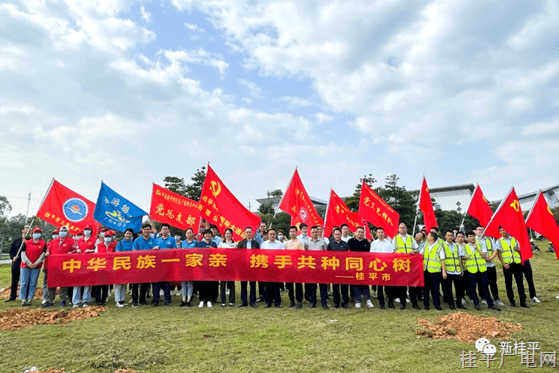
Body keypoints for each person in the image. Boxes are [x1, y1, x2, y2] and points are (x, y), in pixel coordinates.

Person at [463, 231, 501, 311]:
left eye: (473, 236)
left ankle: (490, 303)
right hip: (472, 269)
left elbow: (484, 255)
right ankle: (476, 303)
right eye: (470, 236)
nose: (472, 238)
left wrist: (477, 249)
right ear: (467, 238)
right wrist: (467, 256)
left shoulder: (479, 244)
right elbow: (462, 257)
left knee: (485, 287)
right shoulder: (465, 246)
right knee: (473, 288)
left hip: (482, 268)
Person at [43, 226, 75, 307]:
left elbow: (75, 250)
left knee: (63, 284)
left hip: (64, 266)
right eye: (61, 231)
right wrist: (47, 253)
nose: (62, 232)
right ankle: (50, 300)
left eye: (64, 231)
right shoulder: (53, 241)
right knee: (51, 283)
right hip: (53, 266)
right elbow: (48, 250)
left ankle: (63, 300)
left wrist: (72, 253)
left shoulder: (71, 241)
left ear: (67, 232)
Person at [496, 227, 528, 308]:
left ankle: (522, 301)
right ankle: (511, 300)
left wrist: (517, 250)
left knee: (520, 283)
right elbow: (499, 253)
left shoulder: (515, 239)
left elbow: (521, 251)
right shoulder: (499, 241)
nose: (503, 231)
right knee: (508, 283)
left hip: (516, 263)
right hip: (507, 264)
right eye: (501, 230)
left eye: (504, 229)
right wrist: (503, 263)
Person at [475, 226, 505, 307]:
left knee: (493, 282)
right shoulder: (474, 240)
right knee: (481, 283)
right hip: (480, 265)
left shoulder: (489, 239)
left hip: (490, 264)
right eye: (479, 230)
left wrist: (491, 257)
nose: (481, 231)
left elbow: (496, 249)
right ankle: (483, 298)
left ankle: (496, 298)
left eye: (482, 230)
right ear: (475, 231)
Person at [19, 227, 47, 307]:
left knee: (33, 282)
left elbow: (42, 254)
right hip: (25, 265)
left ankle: (30, 298)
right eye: (35, 232)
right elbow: (23, 254)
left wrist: (36, 263)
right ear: (32, 233)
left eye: (38, 232)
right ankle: (23, 299)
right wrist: (28, 262)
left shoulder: (43, 243)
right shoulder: (27, 242)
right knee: (24, 282)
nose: (37, 234)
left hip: (36, 266)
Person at [394, 223, 420, 309]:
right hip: (401, 264)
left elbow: (417, 249)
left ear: (406, 229)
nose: (402, 229)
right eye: (401, 228)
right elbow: (392, 251)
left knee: (412, 285)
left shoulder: (411, 238)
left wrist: (414, 251)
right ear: (398, 229)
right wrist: (398, 254)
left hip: (411, 264)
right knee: (402, 285)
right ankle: (403, 303)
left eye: (404, 227)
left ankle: (414, 303)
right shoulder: (395, 238)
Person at [370, 227, 396, 309]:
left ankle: (390, 303)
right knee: (380, 286)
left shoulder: (388, 243)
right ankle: (381, 303)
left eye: (382, 232)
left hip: (387, 266)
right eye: (379, 232)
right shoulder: (374, 243)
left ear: (384, 233)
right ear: (376, 234)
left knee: (389, 286)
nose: (381, 234)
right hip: (378, 267)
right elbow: (372, 255)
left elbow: (392, 254)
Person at [348, 226, 373, 308]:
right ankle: (357, 300)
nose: (360, 233)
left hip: (364, 266)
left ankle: (368, 299)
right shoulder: (350, 241)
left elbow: (369, 255)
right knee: (356, 283)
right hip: (354, 266)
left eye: (362, 232)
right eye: (359, 232)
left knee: (365, 283)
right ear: (355, 233)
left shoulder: (366, 242)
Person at [131, 223, 156, 307]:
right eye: (144, 229)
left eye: (148, 229)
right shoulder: (137, 240)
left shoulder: (152, 240)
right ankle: (134, 300)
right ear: (142, 230)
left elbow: (155, 250)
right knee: (135, 284)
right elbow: (134, 252)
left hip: (148, 265)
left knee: (145, 283)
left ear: (150, 230)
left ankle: (142, 299)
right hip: (138, 265)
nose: (146, 231)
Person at [152, 223, 176, 307]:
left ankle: (167, 300)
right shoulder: (157, 240)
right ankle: (155, 300)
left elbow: (175, 250)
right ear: (161, 231)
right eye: (163, 229)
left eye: (166, 229)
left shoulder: (172, 240)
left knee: (166, 284)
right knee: (156, 283)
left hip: (167, 264)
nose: (164, 230)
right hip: (158, 265)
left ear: (169, 231)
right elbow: (152, 251)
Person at [261, 229, 285, 308]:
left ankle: (277, 302)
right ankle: (268, 302)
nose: (272, 236)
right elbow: (261, 255)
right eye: (270, 234)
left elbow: (283, 254)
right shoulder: (264, 244)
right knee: (268, 285)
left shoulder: (279, 244)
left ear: (276, 235)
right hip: (267, 266)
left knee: (276, 285)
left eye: (274, 234)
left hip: (276, 266)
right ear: (268, 235)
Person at [237, 226, 260, 308]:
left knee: (252, 285)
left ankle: (252, 301)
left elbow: (258, 255)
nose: (249, 234)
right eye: (247, 232)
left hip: (253, 266)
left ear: (252, 233)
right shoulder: (241, 243)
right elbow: (238, 255)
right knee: (243, 285)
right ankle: (244, 302)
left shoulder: (256, 243)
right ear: (245, 233)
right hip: (243, 267)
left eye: (250, 232)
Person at [6, 224, 29, 303]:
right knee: (14, 280)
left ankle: (25, 297)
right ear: (22, 230)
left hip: (26, 262)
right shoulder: (16, 241)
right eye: (26, 228)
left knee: (25, 280)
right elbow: (11, 251)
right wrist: (13, 257)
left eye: (29, 228)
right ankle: (12, 296)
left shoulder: (30, 240)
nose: (28, 230)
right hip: (17, 261)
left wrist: (26, 243)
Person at [441, 230, 464, 310]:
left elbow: (460, 258)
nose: (450, 237)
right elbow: (442, 259)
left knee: (459, 288)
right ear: (445, 236)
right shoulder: (442, 245)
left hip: (457, 270)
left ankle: (459, 303)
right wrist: (443, 271)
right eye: (448, 235)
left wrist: (461, 269)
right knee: (448, 288)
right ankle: (451, 304)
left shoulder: (457, 246)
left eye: (451, 235)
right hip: (448, 270)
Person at [307, 226, 329, 309]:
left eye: (316, 232)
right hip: (312, 266)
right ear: (310, 232)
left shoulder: (323, 242)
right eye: (313, 232)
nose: (314, 234)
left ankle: (324, 303)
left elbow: (327, 253)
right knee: (312, 286)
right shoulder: (307, 242)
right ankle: (313, 302)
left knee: (322, 286)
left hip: (321, 266)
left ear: (318, 232)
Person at [423, 232, 446, 310]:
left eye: (428, 235)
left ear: (432, 237)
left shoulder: (439, 246)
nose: (427, 237)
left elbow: (442, 260)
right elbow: (420, 255)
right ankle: (426, 305)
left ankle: (437, 304)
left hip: (435, 271)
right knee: (426, 288)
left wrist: (443, 271)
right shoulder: (426, 245)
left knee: (435, 289)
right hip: (426, 270)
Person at [328, 227, 350, 309]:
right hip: (334, 268)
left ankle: (345, 302)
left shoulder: (345, 244)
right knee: (335, 287)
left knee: (344, 286)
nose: (337, 236)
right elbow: (328, 256)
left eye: (338, 234)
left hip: (343, 268)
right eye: (336, 234)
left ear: (341, 235)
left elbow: (349, 256)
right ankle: (336, 302)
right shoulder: (330, 244)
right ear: (333, 235)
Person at [285, 226, 306, 309]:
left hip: (297, 266)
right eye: (291, 231)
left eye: (294, 231)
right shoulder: (287, 243)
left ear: (296, 232)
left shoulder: (300, 243)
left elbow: (302, 255)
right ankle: (291, 300)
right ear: (289, 233)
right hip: (289, 267)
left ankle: (299, 301)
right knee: (289, 285)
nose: (292, 233)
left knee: (298, 285)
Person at [113, 228, 134, 307]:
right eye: (127, 233)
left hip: (128, 266)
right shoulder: (120, 243)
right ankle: (117, 300)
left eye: (129, 234)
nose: (128, 235)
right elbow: (117, 252)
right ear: (124, 234)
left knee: (125, 284)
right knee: (118, 284)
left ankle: (122, 300)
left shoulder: (133, 243)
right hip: (120, 265)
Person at [197, 229, 218, 307]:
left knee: (210, 284)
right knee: (202, 284)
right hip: (202, 267)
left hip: (211, 266)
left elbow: (217, 254)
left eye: (209, 234)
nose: (207, 235)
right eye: (206, 234)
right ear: (203, 235)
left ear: (211, 235)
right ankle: (201, 300)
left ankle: (209, 300)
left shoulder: (214, 244)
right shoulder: (200, 244)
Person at [218, 228, 237, 307]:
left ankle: (231, 300)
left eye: (229, 233)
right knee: (223, 283)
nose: (228, 235)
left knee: (231, 283)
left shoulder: (235, 244)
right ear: (224, 235)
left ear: (232, 234)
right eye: (226, 233)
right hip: (223, 265)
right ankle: (223, 301)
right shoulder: (221, 244)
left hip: (232, 266)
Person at [180, 228, 197, 307]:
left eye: (190, 233)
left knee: (190, 283)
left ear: (193, 234)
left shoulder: (196, 243)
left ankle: (189, 300)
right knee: (183, 283)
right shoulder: (182, 243)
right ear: (185, 234)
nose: (189, 234)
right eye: (188, 233)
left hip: (192, 264)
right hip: (183, 265)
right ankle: (183, 300)